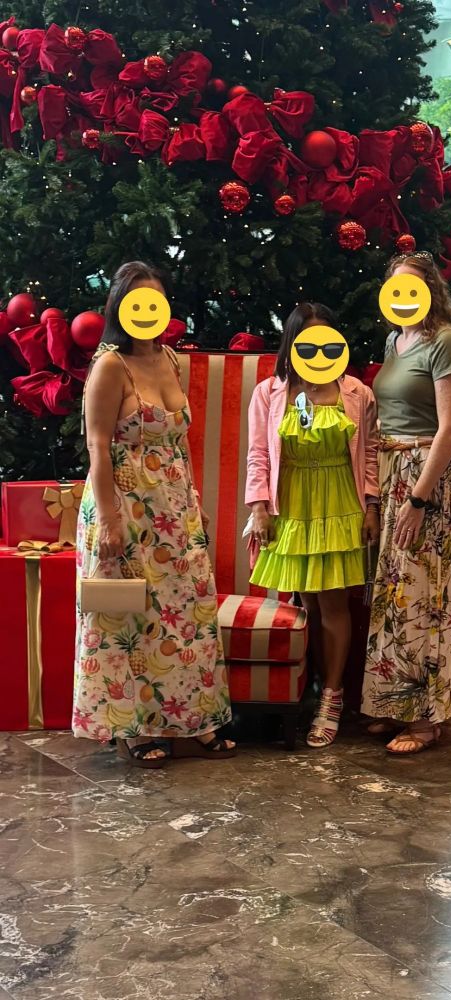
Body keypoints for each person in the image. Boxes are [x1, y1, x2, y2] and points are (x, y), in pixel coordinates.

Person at [74, 261, 235, 767]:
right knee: (132, 620)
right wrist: (109, 520)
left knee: (186, 614)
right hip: (125, 505)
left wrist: (194, 503)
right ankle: (136, 727)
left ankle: (195, 718)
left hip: (174, 507)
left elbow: (178, 442)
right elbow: (98, 446)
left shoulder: (169, 358)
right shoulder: (109, 366)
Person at [245, 303, 379, 747]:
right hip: (292, 505)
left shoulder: (356, 393)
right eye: (307, 344)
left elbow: (371, 453)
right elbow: (258, 453)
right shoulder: (270, 392)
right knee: (309, 605)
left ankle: (332, 698)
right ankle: (316, 687)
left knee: (334, 602)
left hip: (339, 501)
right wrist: (259, 507)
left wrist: (372, 506)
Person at [362, 251, 451, 755]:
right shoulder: (395, 340)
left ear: (429, 291)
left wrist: (419, 498)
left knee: (426, 592)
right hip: (392, 469)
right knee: (396, 591)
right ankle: (399, 702)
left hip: (427, 477)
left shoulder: (444, 341)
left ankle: (426, 719)